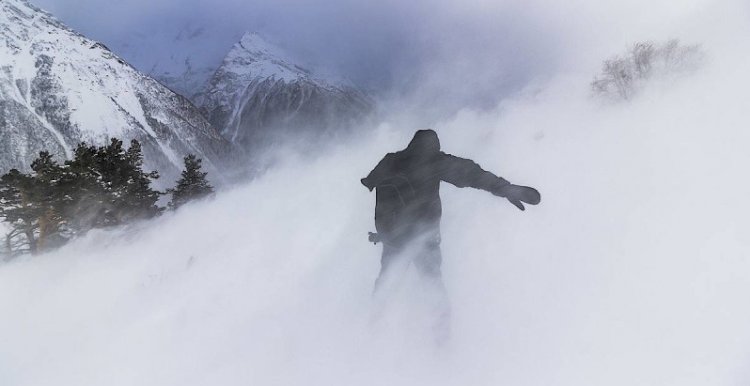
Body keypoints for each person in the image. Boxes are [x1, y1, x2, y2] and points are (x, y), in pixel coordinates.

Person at [361, 130, 540, 333]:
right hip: (424, 241)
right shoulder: (434, 161)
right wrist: (505, 188)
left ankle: (372, 332)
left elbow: (370, 182)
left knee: (386, 287)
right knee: (433, 288)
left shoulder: (391, 160)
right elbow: (471, 174)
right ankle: (441, 341)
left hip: (393, 240)